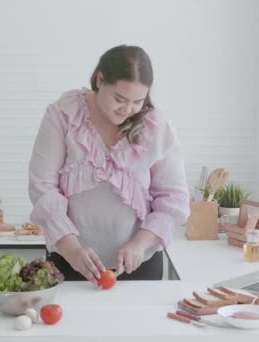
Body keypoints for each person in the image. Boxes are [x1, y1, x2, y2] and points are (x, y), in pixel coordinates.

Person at [28, 45, 190, 283]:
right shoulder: (64, 115)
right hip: (69, 262)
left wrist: (139, 244)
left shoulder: (156, 127)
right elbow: (42, 188)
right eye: (119, 99)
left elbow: (173, 198)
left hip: (139, 265)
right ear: (99, 79)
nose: (127, 110)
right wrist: (73, 252)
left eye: (137, 102)